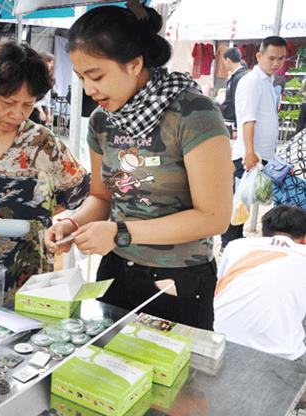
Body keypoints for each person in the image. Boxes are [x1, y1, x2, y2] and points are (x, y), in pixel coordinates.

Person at [44, 5, 233, 330]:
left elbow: (214, 217)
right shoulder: (103, 122)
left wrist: (121, 232)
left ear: (134, 64)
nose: (89, 90)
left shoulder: (194, 114)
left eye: (97, 75)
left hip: (178, 280)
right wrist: (72, 224)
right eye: (81, 78)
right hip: (116, 271)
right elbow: (101, 198)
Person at [0, 41, 89, 303]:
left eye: (28, 104)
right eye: (8, 101)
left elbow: (79, 191)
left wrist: (38, 217)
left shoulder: (42, 143)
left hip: (28, 278)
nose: (17, 113)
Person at [214, 205, 306, 362]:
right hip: (283, 355)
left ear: (264, 233)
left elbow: (220, 283)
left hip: (220, 339)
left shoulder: (235, 246)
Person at [222, 36, 287, 248]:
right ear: (259, 56)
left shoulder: (268, 81)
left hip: (263, 155)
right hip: (248, 155)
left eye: (281, 59)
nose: (276, 63)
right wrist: (250, 152)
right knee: (238, 201)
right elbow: (248, 118)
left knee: (246, 200)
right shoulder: (251, 81)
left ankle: (236, 240)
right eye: (272, 58)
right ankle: (229, 243)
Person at [220, 47, 248, 139]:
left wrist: (236, 127)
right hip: (231, 121)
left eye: (224, 61)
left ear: (228, 60)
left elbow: (239, 103)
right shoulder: (236, 76)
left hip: (233, 123)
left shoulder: (239, 77)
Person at [29, 52, 54, 127]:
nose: (50, 64)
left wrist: (48, 114)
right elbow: (33, 97)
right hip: (34, 109)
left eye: (51, 62)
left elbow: (47, 99)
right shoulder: (34, 77)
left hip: (41, 108)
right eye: (48, 61)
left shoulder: (49, 79)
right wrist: (41, 111)